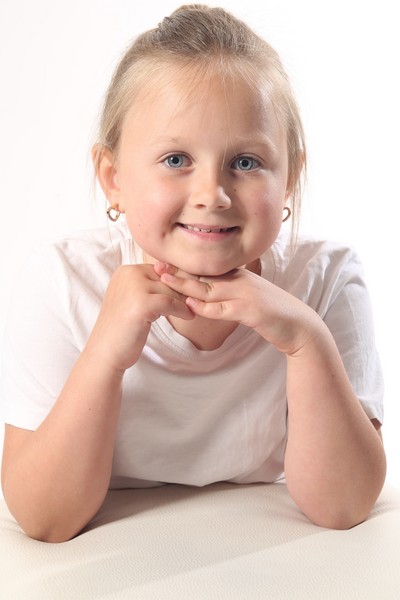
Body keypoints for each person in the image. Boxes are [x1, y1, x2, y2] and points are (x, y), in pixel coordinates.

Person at [0, 4, 386, 543]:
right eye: (176, 159)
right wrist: (105, 353)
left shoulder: (326, 279)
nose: (213, 195)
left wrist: (305, 340)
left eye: (246, 162)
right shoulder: (63, 281)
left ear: (290, 178)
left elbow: (342, 506)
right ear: (113, 178)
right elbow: (45, 518)